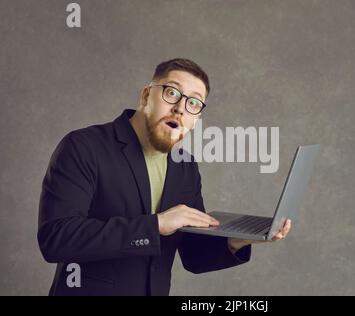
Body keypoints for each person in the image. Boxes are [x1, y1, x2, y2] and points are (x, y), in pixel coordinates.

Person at [38, 58, 291, 296]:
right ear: (146, 96)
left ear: (196, 120)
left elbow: (193, 255)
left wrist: (239, 239)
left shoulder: (185, 167)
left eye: (193, 103)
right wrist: (156, 224)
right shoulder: (84, 147)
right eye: (172, 93)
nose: (180, 108)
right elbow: (57, 238)